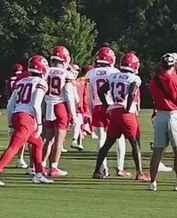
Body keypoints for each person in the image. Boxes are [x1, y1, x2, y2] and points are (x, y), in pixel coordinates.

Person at [0, 56, 52, 186]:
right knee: (15, 146)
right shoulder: (41, 82)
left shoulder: (22, 81)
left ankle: (38, 174)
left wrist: (11, 123)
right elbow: (35, 104)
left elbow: (11, 104)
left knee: (38, 143)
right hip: (27, 118)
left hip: (17, 115)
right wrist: (39, 124)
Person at [94, 52, 146, 180]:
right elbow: (133, 92)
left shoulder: (113, 76)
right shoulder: (134, 78)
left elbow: (101, 91)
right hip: (126, 113)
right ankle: (140, 173)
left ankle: (97, 171)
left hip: (115, 112)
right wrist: (128, 108)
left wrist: (107, 105)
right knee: (135, 143)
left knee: (107, 144)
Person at [147, 52, 177, 193]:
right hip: (173, 114)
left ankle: (153, 182)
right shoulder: (176, 80)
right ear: (173, 65)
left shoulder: (154, 80)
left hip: (160, 114)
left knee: (157, 151)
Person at [87, 47, 126, 177]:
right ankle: (120, 167)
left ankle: (103, 168)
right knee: (119, 137)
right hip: (113, 106)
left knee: (101, 138)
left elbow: (89, 96)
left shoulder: (91, 73)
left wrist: (92, 111)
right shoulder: (114, 72)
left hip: (98, 106)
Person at [42, 46, 78, 178]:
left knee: (48, 139)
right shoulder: (67, 74)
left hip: (48, 105)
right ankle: (53, 167)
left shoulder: (46, 71)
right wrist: (73, 114)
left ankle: (41, 165)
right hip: (60, 106)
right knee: (59, 140)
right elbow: (69, 95)